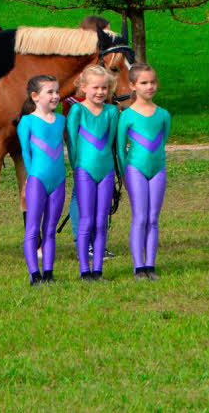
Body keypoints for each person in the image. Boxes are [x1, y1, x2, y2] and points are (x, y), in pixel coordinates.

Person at [116, 63, 171, 281]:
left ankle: (151, 265)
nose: (150, 86)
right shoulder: (127, 116)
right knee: (139, 217)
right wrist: (124, 174)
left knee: (153, 218)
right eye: (144, 83)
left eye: (153, 82)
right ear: (133, 85)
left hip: (158, 169)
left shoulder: (163, 115)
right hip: (135, 169)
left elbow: (162, 141)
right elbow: (120, 148)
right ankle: (139, 267)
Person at [66, 64, 120, 280]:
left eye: (104, 88)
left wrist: (118, 171)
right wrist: (77, 167)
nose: (100, 92)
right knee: (87, 220)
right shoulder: (77, 110)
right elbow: (71, 143)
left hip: (106, 172)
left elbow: (112, 143)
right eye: (95, 87)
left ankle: (98, 270)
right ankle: (84, 270)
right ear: (83, 87)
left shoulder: (111, 112)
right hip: (84, 172)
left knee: (101, 221)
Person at [16, 75, 67, 285]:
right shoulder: (27, 121)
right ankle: (34, 274)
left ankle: (48, 272)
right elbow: (26, 154)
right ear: (35, 96)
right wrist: (31, 177)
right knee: (33, 228)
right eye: (50, 92)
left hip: (59, 180)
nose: (55, 96)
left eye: (57, 91)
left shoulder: (62, 120)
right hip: (37, 181)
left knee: (50, 229)